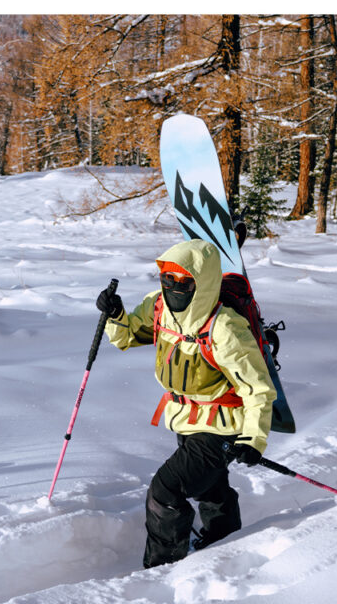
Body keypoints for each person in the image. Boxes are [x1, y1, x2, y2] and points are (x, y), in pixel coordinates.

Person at [100, 239, 276, 569]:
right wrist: (115, 314)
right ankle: (225, 544)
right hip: (185, 418)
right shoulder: (158, 306)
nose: (174, 287)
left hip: (222, 425)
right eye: (168, 278)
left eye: (185, 281)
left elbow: (258, 388)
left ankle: (162, 566)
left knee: (165, 491)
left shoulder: (225, 329)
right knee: (210, 488)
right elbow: (127, 335)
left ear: (203, 283)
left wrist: (253, 439)